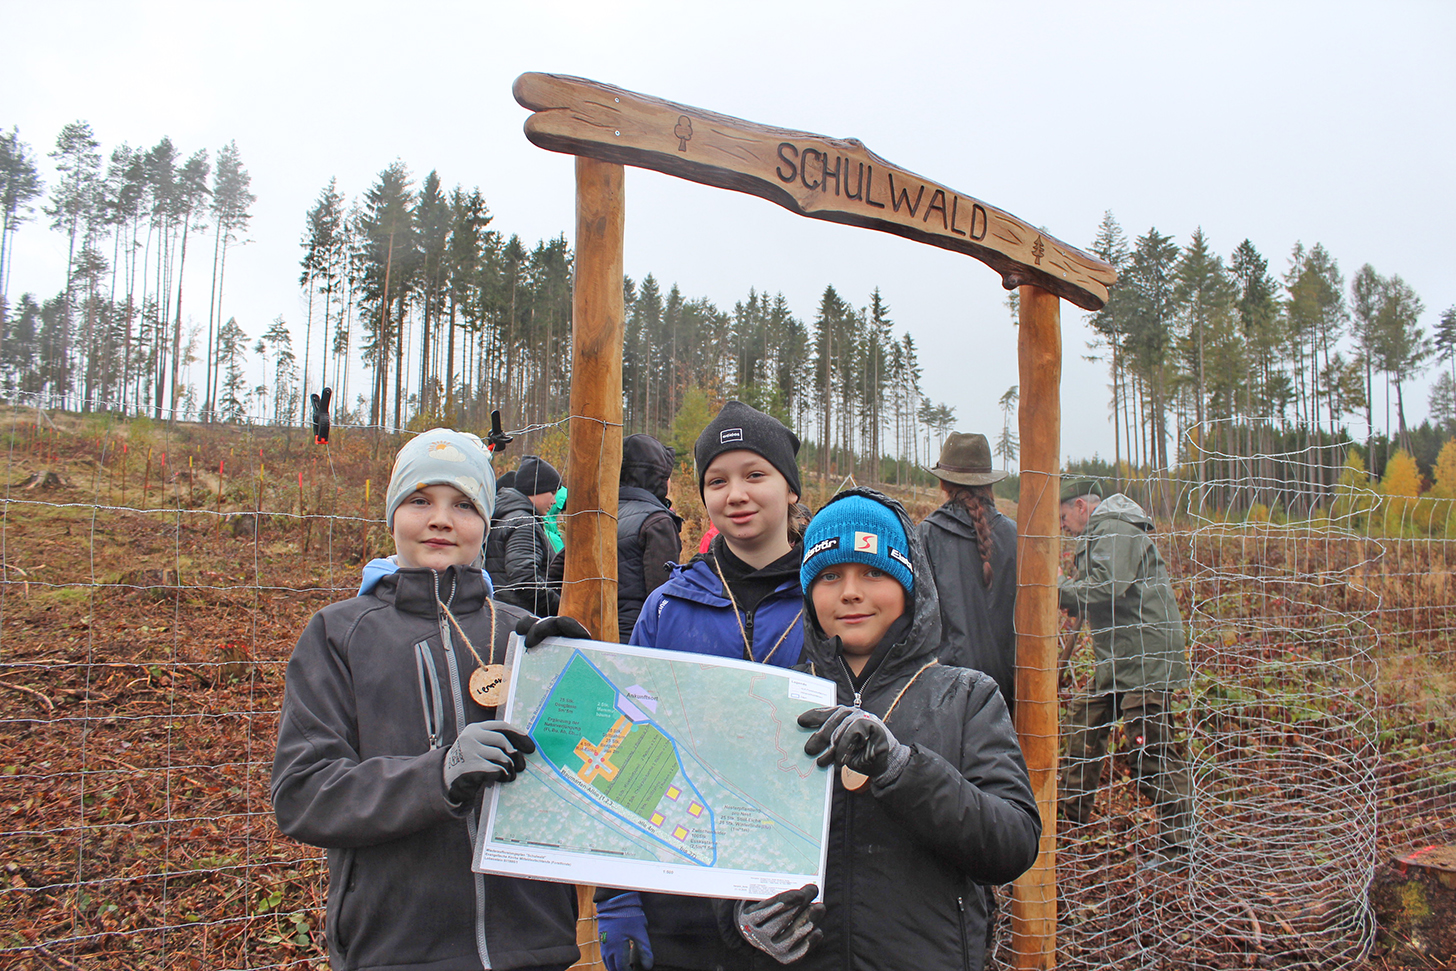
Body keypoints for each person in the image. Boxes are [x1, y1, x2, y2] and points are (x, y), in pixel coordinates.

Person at [271, 428, 579, 971]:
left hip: (533, 944)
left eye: (463, 504)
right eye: (420, 500)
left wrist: (584, 684)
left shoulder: (524, 636)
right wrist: (436, 777)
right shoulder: (340, 635)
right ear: (392, 515)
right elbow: (303, 793)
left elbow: (581, 785)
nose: (441, 519)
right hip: (396, 948)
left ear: (485, 521)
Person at [720, 488, 1040, 970]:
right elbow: (727, 844)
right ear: (809, 593)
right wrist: (737, 921)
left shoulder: (965, 697)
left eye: (873, 572)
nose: (850, 591)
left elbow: (1013, 843)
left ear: (910, 586)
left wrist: (902, 769)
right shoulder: (775, 700)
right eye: (830, 575)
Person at [597, 401, 808, 971]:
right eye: (718, 480)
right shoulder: (667, 609)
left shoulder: (833, 604)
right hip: (679, 901)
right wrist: (618, 899)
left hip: (798, 907)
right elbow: (626, 743)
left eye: (755, 474)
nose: (735, 493)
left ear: (790, 489)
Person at [1057, 479, 1193, 858]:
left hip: (1144, 659)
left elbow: (1107, 587)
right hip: (1118, 658)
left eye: (1064, 515)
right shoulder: (1100, 533)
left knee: (1150, 752)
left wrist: (1054, 587)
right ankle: (1068, 822)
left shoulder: (1114, 530)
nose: (1063, 525)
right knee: (1086, 720)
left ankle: (1179, 847)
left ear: (1082, 506)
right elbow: (1101, 591)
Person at [919, 431, 1018, 713]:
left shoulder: (928, 534)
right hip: (1008, 689)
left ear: (943, 482)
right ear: (988, 482)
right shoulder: (1014, 535)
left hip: (947, 689)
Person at [616, 433, 683, 641]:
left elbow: (556, 572)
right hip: (636, 637)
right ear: (657, 478)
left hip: (587, 630)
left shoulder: (598, 514)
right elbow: (663, 595)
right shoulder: (657, 522)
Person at [487, 455, 562, 615]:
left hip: (504, 612)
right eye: (552, 492)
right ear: (537, 488)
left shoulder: (507, 515)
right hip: (520, 616)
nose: (554, 501)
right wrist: (562, 609)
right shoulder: (523, 523)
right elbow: (525, 580)